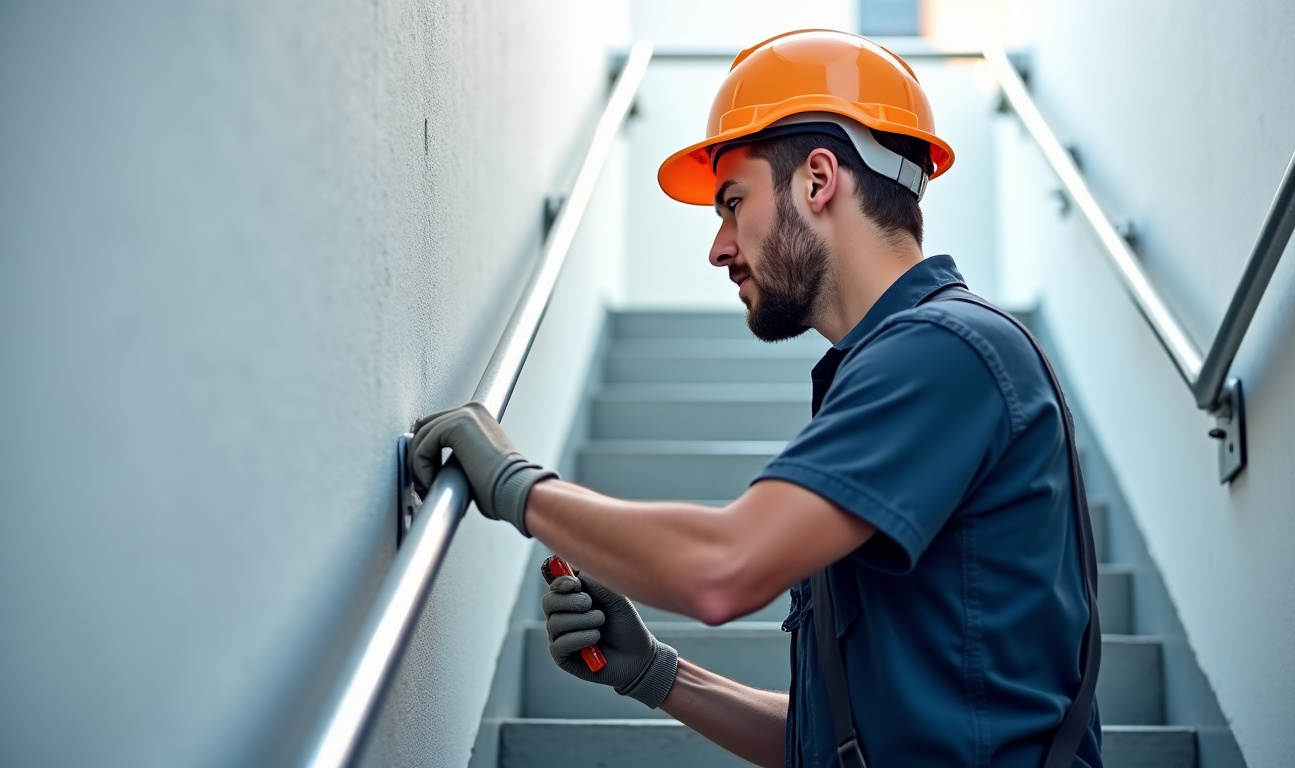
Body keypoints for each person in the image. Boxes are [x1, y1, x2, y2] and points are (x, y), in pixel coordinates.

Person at [410, 29, 1101, 768]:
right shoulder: (904, 367)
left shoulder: (944, 354)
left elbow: (722, 568)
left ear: (818, 179)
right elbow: (831, 738)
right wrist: (657, 674)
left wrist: (514, 484)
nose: (719, 246)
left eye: (733, 203)